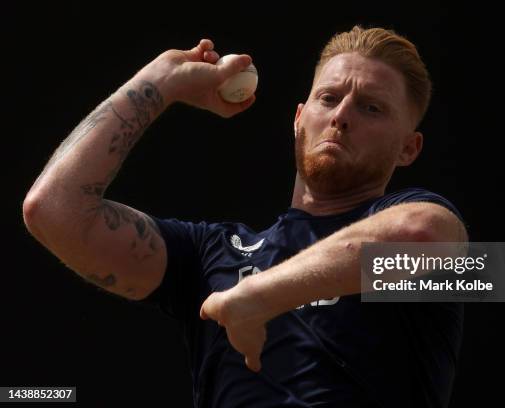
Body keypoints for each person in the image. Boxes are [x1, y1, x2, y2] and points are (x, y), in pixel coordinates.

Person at [23, 26, 468, 407]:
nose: (342, 116)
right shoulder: (209, 255)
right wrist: (161, 82)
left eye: (371, 107)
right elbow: (54, 211)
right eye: (328, 98)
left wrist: (258, 295)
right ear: (299, 119)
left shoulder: (412, 225)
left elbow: (427, 236)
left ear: (409, 148)